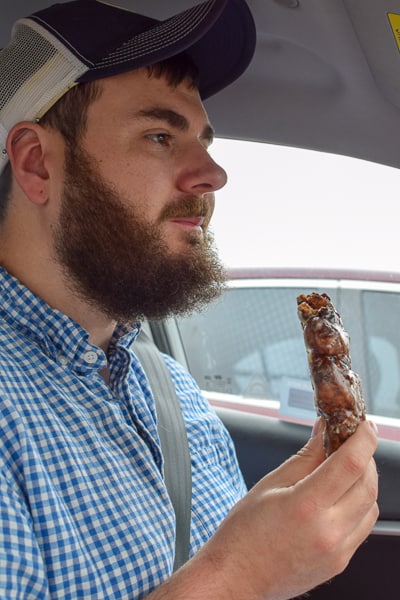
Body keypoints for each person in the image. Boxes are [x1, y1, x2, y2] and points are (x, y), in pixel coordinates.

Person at [0, 1, 379, 598]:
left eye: (202, 140)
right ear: (35, 163)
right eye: (159, 136)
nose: (214, 173)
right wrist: (243, 574)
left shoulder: (173, 391)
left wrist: (272, 543)